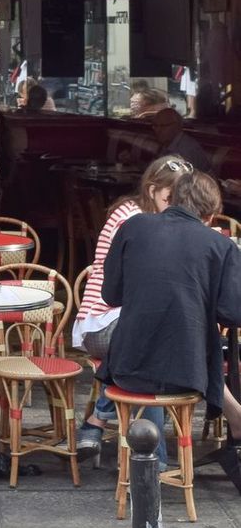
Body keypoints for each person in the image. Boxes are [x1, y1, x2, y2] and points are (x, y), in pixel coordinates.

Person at [101, 168, 241, 492]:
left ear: (173, 198)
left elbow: (110, 295)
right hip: (188, 375)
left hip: (126, 367)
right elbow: (233, 313)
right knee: (201, 347)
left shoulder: (133, 227)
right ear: (211, 214)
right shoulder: (220, 246)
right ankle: (233, 420)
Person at [74, 155, 184, 460]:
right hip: (102, 322)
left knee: (154, 352)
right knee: (158, 351)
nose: (177, 204)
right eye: (170, 197)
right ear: (152, 190)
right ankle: (155, 463)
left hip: (127, 324)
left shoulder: (155, 219)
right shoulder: (133, 219)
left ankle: (98, 420)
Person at [145, 105, 210, 172]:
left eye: (163, 126)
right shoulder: (168, 142)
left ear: (177, 126)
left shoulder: (185, 150)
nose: (158, 130)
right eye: (155, 126)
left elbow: (178, 179)